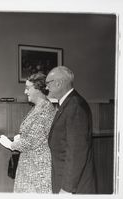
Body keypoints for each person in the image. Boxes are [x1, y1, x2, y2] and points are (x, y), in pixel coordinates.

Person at [0, 72, 56, 193]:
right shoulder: (38, 107)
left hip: (37, 168)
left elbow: (31, 142)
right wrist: (20, 137)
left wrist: (11, 144)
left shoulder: (45, 110)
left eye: (28, 88)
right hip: (30, 165)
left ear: (39, 90)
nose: (25, 92)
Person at [45, 66, 97, 194]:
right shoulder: (68, 103)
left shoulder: (75, 106)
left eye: (48, 84)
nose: (46, 88)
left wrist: (67, 188)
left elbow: (76, 152)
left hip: (74, 187)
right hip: (65, 180)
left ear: (58, 83)